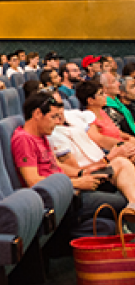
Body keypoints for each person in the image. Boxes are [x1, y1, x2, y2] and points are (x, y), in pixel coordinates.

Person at [12, 92, 132, 222]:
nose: (57, 122)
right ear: (37, 114)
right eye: (53, 117)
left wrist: (82, 173)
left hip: (71, 185)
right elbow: (33, 181)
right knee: (122, 198)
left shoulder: (42, 136)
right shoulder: (23, 139)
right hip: (62, 197)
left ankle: (133, 205)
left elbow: (57, 166)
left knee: (120, 162)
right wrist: (76, 183)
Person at [76, 80, 134, 149]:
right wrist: (124, 145)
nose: (105, 95)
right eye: (101, 93)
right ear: (90, 100)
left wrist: (130, 138)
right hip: (115, 150)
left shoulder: (102, 111)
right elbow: (100, 140)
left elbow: (118, 132)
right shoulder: (88, 117)